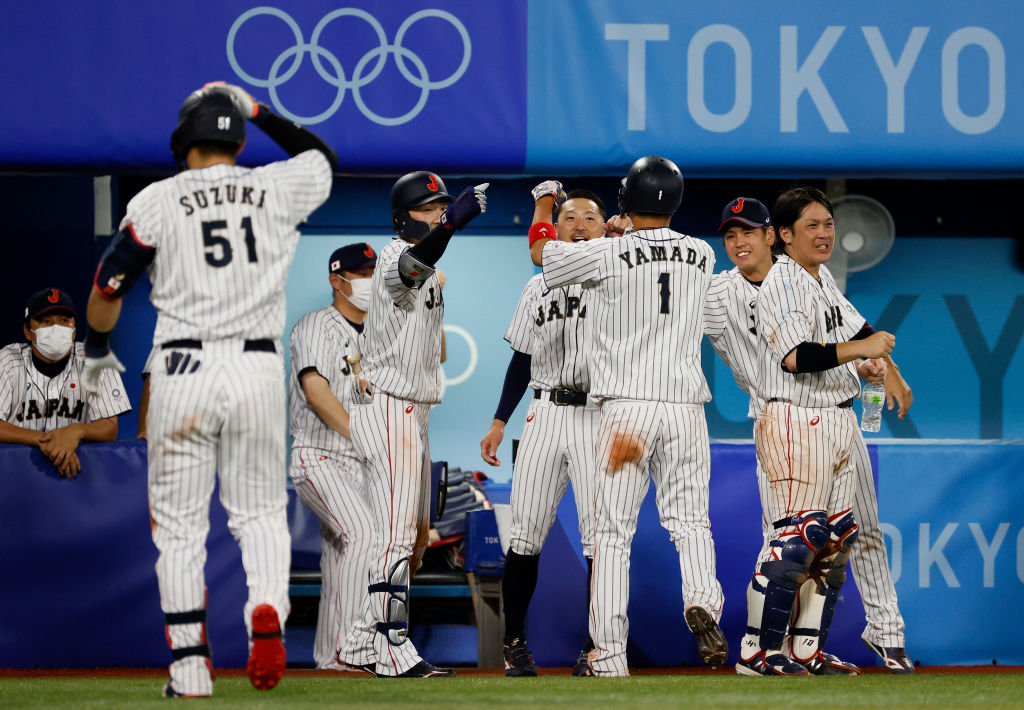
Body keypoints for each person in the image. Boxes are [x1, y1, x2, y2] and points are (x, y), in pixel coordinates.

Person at [81, 82, 337, 697]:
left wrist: (95, 348)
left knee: (179, 528)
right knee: (259, 514)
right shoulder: (275, 185)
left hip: (182, 368)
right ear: (239, 141)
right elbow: (322, 159)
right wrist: (258, 109)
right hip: (255, 368)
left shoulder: (156, 199)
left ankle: (191, 669)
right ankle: (265, 609)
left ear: (182, 143)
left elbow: (108, 288)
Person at [529, 156, 726, 677]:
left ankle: (610, 654)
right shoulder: (702, 253)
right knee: (691, 522)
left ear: (625, 199)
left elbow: (543, 254)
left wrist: (546, 204)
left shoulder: (606, 250)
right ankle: (702, 599)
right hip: (685, 408)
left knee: (613, 537)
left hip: (627, 409)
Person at [704, 196, 914, 675]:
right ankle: (761, 650)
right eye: (731, 234)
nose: (739, 241)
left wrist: (881, 367)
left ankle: (807, 649)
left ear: (769, 235)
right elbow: (796, 356)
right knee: (792, 542)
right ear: (786, 233)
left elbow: (855, 329)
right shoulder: (727, 291)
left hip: (836, 415)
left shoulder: (816, 277)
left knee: (836, 540)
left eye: (747, 231)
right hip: (789, 415)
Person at [336, 170, 488, 678]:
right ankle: (392, 645)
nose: (438, 214)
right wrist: (451, 226)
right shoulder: (390, 260)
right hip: (389, 406)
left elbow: (425, 273)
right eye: (429, 208)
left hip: (411, 409)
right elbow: (413, 265)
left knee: (415, 536)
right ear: (403, 218)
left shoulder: (426, 266)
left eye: (443, 206)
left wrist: (443, 230)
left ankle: (362, 641)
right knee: (397, 534)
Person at [479, 182, 607, 677]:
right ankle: (514, 643)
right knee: (525, 535)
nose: (578, 226)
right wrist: (498, 421)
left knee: (602, 539)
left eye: (589, 218)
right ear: (555, 229)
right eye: (568, 218)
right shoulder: (537, 287)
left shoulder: (620, 277)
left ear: (606, 227)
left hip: (599, 412)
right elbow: (522, 359)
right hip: (545, 412)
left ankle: (599, 646)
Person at [288, 242, 377, 670]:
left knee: (341, 555)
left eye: (374, 272)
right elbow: (315, 392)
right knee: (362, 534)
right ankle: (351, 651)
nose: (370, 281)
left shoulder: (380, 332)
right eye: (361, 274)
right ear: (336, 280)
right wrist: (363, 435)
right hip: (317, 453)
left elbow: (436, 356)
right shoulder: (314, 326)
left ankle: (329, 659)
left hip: (360, 464)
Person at [0, 288, 129, 477]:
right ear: (28, 332)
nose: (55, 328)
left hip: (78, 474)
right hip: (16, 473)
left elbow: (110, 428)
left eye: (64, 320)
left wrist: (76, 430)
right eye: (45, 321)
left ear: (74, 330)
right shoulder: (6, 360)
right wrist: (48, 441)